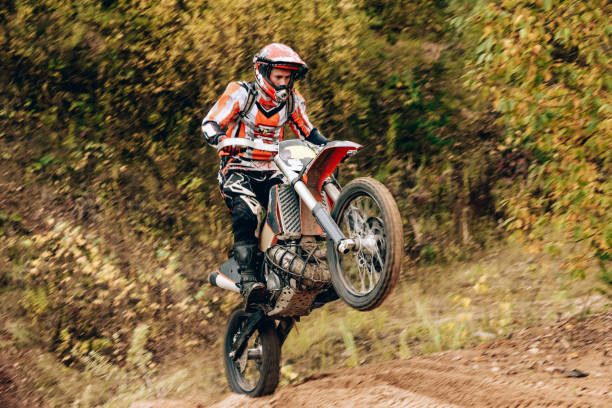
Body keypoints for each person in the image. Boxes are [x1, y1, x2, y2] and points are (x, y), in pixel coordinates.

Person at [201, 43, 329, 306]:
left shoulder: (292, 100)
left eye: (287, 77)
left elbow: (308, 131)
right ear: (264, 72)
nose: (283, 83)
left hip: (273, 169)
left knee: (301, 201)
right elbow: (210, 122)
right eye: (278, 77)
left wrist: (328, 147)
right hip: (237, 168)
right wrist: (221, 138)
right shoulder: (241, 93)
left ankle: (310, 270)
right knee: (249, 210)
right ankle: (248, 278)